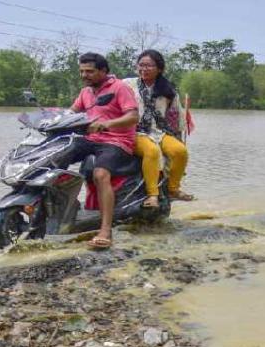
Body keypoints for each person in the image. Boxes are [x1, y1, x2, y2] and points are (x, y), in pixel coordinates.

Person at [66, 53, 140, 249]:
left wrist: (106, 124)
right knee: (54, 157)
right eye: (82, 71)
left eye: (89, 71)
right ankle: (57, 208)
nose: (84, 75)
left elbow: (133, 117)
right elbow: (72, 112)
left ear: (103, 71)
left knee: (100, 174)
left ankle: (106, 230)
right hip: (90, 139)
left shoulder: (119, 88)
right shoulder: (86, 92)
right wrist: (54, 119)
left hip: (116, 140)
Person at [123, 50, 193, 207]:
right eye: (141, 65)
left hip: (158, 131)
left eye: (149, 65)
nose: (144, 69)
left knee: (180, 151)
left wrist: (178, 137)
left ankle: (173, 189)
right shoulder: (127, 84)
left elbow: (175, 116)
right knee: (151, 151)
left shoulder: (168, 89)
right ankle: (152, 195)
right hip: (133, 131)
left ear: (159, 68)